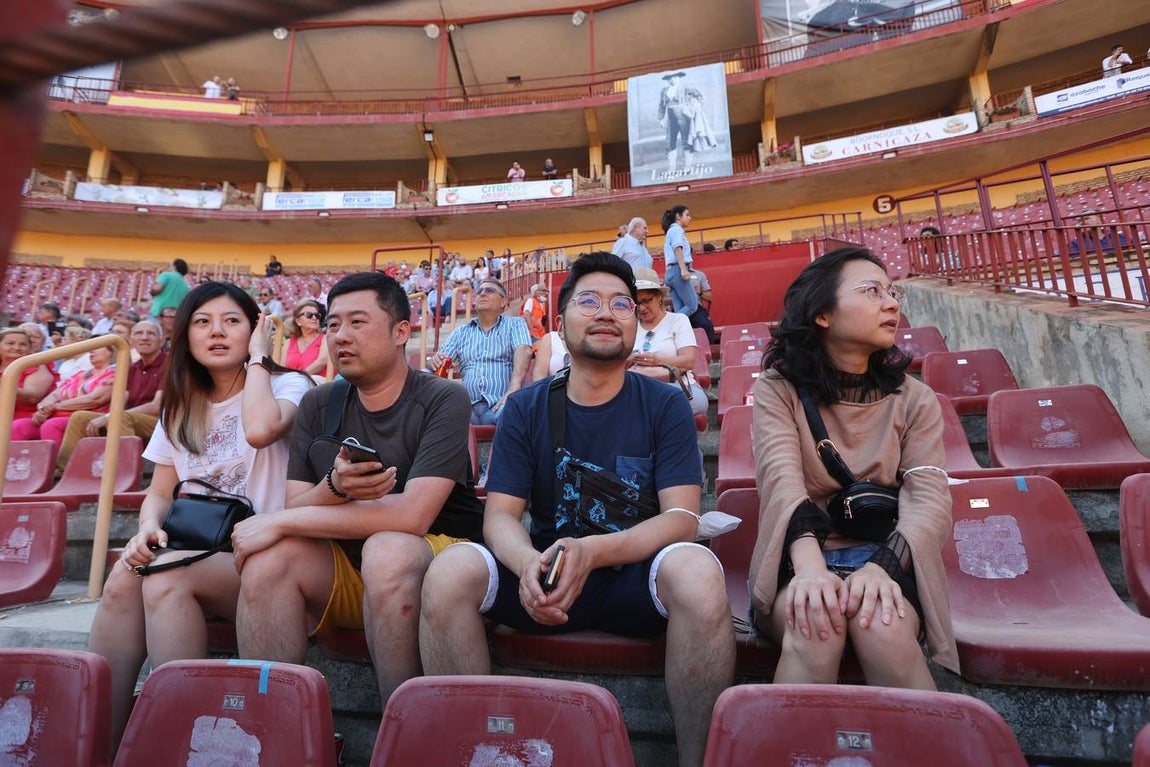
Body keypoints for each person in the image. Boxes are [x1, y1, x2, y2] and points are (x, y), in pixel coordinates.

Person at [419, 252, 734, 767]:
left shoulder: (666, 404)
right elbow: (499, 515)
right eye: (589, 301)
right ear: (559, 325)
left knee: (699, 571)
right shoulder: (526, 406)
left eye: (622, 304)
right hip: (546, 573)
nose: (607, 312)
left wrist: (594, 550)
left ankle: (697, 758)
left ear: (637, 322)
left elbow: (682, 518)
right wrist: (526, 565)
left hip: (636, 574)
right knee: (449, 569)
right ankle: (473, 749)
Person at [232, 271, 484, 714]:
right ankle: (271, 732)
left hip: (438, 560)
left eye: (357, 323)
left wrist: (277, 521)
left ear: (402, 331)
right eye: (332, 325)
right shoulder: (319, 401)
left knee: (388, 549)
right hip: (347, 567)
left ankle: (404, 729)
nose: (340, 336)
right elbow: (298, 501)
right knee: (268, 560)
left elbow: (413, 516)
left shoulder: (444, 397)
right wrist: (331, 488)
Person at [87, 282, 311, 748]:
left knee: (166, 579)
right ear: (185, 336)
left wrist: (257, 362)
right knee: (122, 578)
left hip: (263, 561)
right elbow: (161, 492)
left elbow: (260, 430)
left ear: (255, 330)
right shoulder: (181, 405)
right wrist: (148, 526)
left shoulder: (290, 384)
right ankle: (98, 743)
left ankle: (179, 739)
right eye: (202, 322)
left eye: (232, 321)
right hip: (197, 548)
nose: (216, 332)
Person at [748, 246, 959, 690]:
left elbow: (928, 500)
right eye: (871, 291)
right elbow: (781, 482)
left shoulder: (916, 399)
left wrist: (882, 569)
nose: (891, 303)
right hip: (799, 555)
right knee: (815, 627)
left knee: (882, 625)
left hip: (888, 555)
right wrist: (809, 569)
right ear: (822, 314)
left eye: (891, 291)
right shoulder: (777, 390)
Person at [56, 319, 168, 470]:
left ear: (161, 341)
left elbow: (157, 407)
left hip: (164, 423)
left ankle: (125, 473)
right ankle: (65, 471)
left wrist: (109, 417)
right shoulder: (131, 367)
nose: (144, 337)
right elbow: (122, 401)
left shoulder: (171, 363)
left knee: (119, 417)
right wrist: (108, 416)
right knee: (80, 417)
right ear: (131, 340)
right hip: (134, 417)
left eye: (151, 333)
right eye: (139, 333)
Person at [428, 278, 532, 425]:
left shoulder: (515, 324)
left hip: (502, 403)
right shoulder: (461, 332)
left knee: (513, 410)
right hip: (467, 410)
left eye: (489, 291)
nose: (482, 294)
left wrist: (513, 388)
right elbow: (442, 361)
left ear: (503, 302)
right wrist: (436, 361)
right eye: (479, 292)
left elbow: (524, 350)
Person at [628, 268, 708, 417]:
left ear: (659, 296)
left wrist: (656, 361)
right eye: (636, 304)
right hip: (640, 390)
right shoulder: (630, 326)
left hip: (676, 386)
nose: (642, 308)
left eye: (646, 301)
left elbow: (688, 361)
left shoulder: (677, 320)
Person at [11, 345, 117, 448]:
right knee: (19, 426)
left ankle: (58, 465)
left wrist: (55, 406)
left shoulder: (115, 373)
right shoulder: (81, 374)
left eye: (98, 347)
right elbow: (55, 394)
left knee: (52, 425)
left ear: (112, 351)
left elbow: (95, 399)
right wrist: (43, 409)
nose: (91, 351)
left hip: (84, 417)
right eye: (91, 349)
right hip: (56, 413)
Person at [0, 328, 57, 419]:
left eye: (23, 344)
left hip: (24, 418)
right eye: (10, 343)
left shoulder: (36, 365)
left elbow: (33, 397)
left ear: (30, 348)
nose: (16, 348)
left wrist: (4, 386)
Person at [662, 205, 700, 318]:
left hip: (670, 272)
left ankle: (674, 332)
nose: (690, 218)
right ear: (678, 216)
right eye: (687, 215)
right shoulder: (676, 230)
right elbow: (677, 248)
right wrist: (683, 269)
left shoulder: (671, 231)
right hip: (678, 270)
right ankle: (667, 325)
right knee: (692, 305)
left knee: (680, 308)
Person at [283, 299, 330, 377]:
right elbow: (282, 368)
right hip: (291, 383)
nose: (314, 318)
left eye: (317, 315)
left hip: (317, 384)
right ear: (298, 321)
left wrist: (300, 376)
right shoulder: (288, 343)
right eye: (309, 315)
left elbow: (322, 361)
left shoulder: (325, 339)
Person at [658, 71, 692, 172]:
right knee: (670, 142)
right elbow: (661, 105)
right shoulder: (664, 90)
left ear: (679, 78)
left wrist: (692, 110)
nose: (671, 79)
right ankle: (672, 168)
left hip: (683, 115)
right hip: (670, 116)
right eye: (669, 78)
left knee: (686, 141)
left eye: (674, 77)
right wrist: (660, 118)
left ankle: (687, 167)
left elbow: (699, 99)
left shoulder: (687, 87)